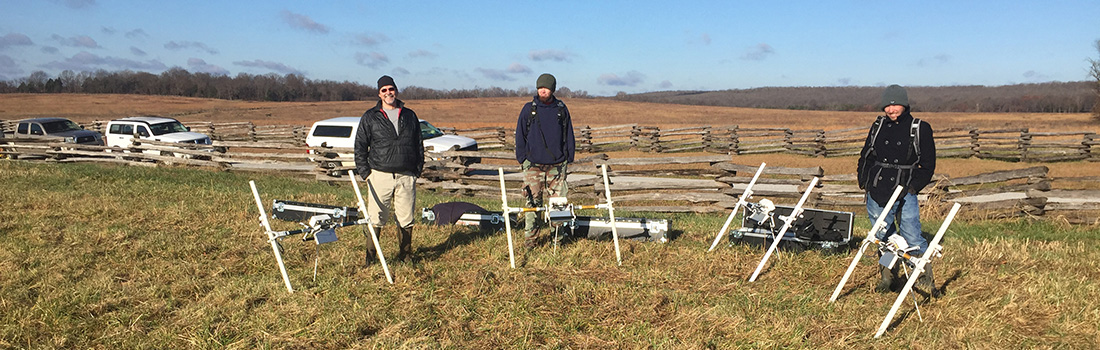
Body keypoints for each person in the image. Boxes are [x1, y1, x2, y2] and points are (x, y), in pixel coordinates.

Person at [857, 84, 938, 295]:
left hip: (905, 190)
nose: (891, 110)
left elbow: (928, 165)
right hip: (877, 189)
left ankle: (922, 277)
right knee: (883, 236)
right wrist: (864, 180)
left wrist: (912, 188)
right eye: (887, 106)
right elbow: (866, 155)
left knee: (912, 234)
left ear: (904, 104)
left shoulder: (920, 128)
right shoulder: (878, 126)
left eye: (895, 105)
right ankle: (887, 276)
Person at [354, 75, 424, 262]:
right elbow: (360, 145)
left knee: (406, 218)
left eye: (390, 89)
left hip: (406, 176)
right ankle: (371, 258)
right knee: (376, 218)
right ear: (379, 93)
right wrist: (365, 173)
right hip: (379, 175)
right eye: (384, 90)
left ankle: (406, 256)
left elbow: (418, 144)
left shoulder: (409, 115)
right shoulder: (370, 117)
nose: (388, 93)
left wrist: (417, 170)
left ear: (396, 90)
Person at [515, 73, 576, 247]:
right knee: (532, 205)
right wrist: (523, 159)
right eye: (540, 87)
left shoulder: (561, 109)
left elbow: (568, 135)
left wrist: (568, 158)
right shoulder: (529, 109)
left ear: (552, 89)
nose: (543, 90)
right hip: (533, 166)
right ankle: (531, 241)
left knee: (558, 205)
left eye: (547, 87)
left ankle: (557, 240)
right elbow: (520, 135)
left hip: (557, 166)